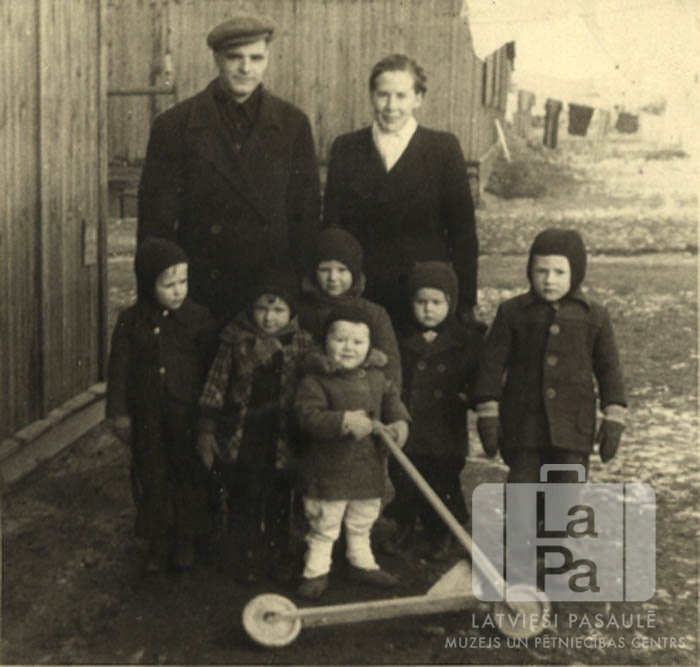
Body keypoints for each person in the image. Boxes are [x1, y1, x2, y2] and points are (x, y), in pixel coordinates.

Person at [138, 15, 321, 320]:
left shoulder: (293, 124)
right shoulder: (175, 126)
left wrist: (298, 291)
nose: (246, 68)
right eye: (235, 57)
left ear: (267, 59)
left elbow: (305, 218)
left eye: (256, 58)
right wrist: (157, 305)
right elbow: (155, 225)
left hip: (270, 297)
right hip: (200, 295)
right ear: (216, 59)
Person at [323, 53, 478, 328]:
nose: (391, 106)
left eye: (401, 96)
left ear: (418, 98)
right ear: (371, 96)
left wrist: (464, 302)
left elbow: (462, 233)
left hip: (422, 298)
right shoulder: (347, 148)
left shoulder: (443, 149)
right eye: (383, 95)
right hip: (364, 294)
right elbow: (334, 227)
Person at [474, 228, 627, 485]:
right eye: (541, 271)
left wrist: (614, 415)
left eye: (559, 272)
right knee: (522, 493)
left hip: (573, 428)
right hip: (523, 426)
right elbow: (491, 365)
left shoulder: (595, 316)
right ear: (530, 271)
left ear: (575, 272)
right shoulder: (512, 313)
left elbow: (609, 369)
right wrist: (488, 412)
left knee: (564, 495)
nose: (549, 280)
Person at [196, 266, 314, 583]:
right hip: (244, 434)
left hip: (283, 437)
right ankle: (244, 556)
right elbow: (216, 385)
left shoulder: (302, 343)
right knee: (243, 497)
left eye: (278, 310)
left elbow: (315, 385)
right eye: (262, 308)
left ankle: (277, 556)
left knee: (279, 498)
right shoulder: (235, 339)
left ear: (291, 312)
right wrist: (206, 429)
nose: (269, 318)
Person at [106, 238, 216, 573]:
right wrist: (119, 413)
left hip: (186, 415)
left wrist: (207, 418)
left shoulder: (199, 318)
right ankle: (158, 539)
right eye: (168, 284)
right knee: (152, 475)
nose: (178, 290)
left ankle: (186, 537)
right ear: (147, 283)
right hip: (148, 417)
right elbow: (119, 370)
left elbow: (211, 372)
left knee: (187, 473)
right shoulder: (131, 321)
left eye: (183, 281)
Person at [295, 305, 411, 600]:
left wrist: (399, 424)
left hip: (367, 466)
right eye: (340, 340)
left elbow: (392, 402)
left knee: (363, 518)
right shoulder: (316, 379)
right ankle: (315, 571)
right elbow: (307, 417)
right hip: (330, 468)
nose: (349, 347)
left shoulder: (376, 377)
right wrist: (343, 422)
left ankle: (361, 563)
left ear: (369, 345)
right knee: (326, 522)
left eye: (358, 342)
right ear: (326, 341)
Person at [383, 262, 483, 559]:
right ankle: (404, 524)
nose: (428, 310)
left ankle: (441, 531)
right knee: (404, 475)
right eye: (421, 302)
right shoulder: (401, 338)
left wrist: (471, 395)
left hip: (445, 426)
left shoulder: (465, 340)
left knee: (443, 479)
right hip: (410, 423)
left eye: (436, 303)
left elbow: (478, 376)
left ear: (450, 303)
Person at [298, 227, 402, 388]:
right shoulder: (301, 311)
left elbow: (391, 371)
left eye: (342, 270)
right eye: (324, 270)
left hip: (363, 395)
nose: (333, 277)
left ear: (354, 273)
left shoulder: (375, 314)